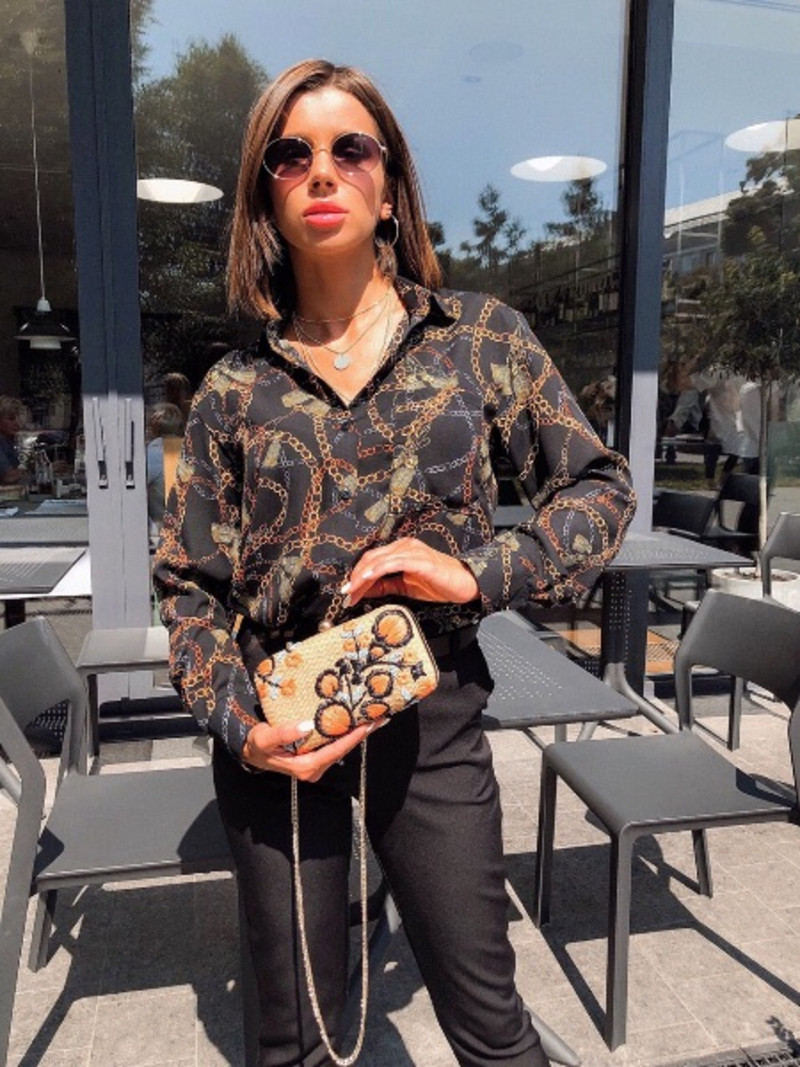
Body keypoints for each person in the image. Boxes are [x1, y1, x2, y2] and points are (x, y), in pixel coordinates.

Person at [153, 59, 635, 1067]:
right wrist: (239, 724)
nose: (321, 171)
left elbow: (598, 488)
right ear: (265, 198)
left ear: (389, 188)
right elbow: (190, 589)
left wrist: (481, 573)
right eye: (290, 155)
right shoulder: (233, 390)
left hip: (429, 709)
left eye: (350, 148)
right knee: (294, 1040)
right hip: (283, 713)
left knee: (489, 1024)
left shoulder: (479, 340)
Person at [145, 401, 186, 538]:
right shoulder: (191, 449)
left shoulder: (152, 453)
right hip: (190, 530)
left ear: (152, 427)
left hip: (162, 531)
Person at [0, 396, 28, 486]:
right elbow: (8, 477)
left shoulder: (9, 441)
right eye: (11, 419)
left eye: (19, 419)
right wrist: (42, 469)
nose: (17, 423)